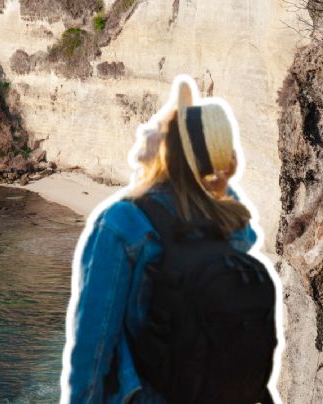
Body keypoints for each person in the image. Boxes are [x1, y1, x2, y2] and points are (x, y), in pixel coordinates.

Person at [60, 75, 278, 404]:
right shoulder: (231, 226)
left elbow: (93, 348)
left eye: (159, 126)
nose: (145, 128)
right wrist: (218, 171)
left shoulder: (123, 223)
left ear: (169, 150)